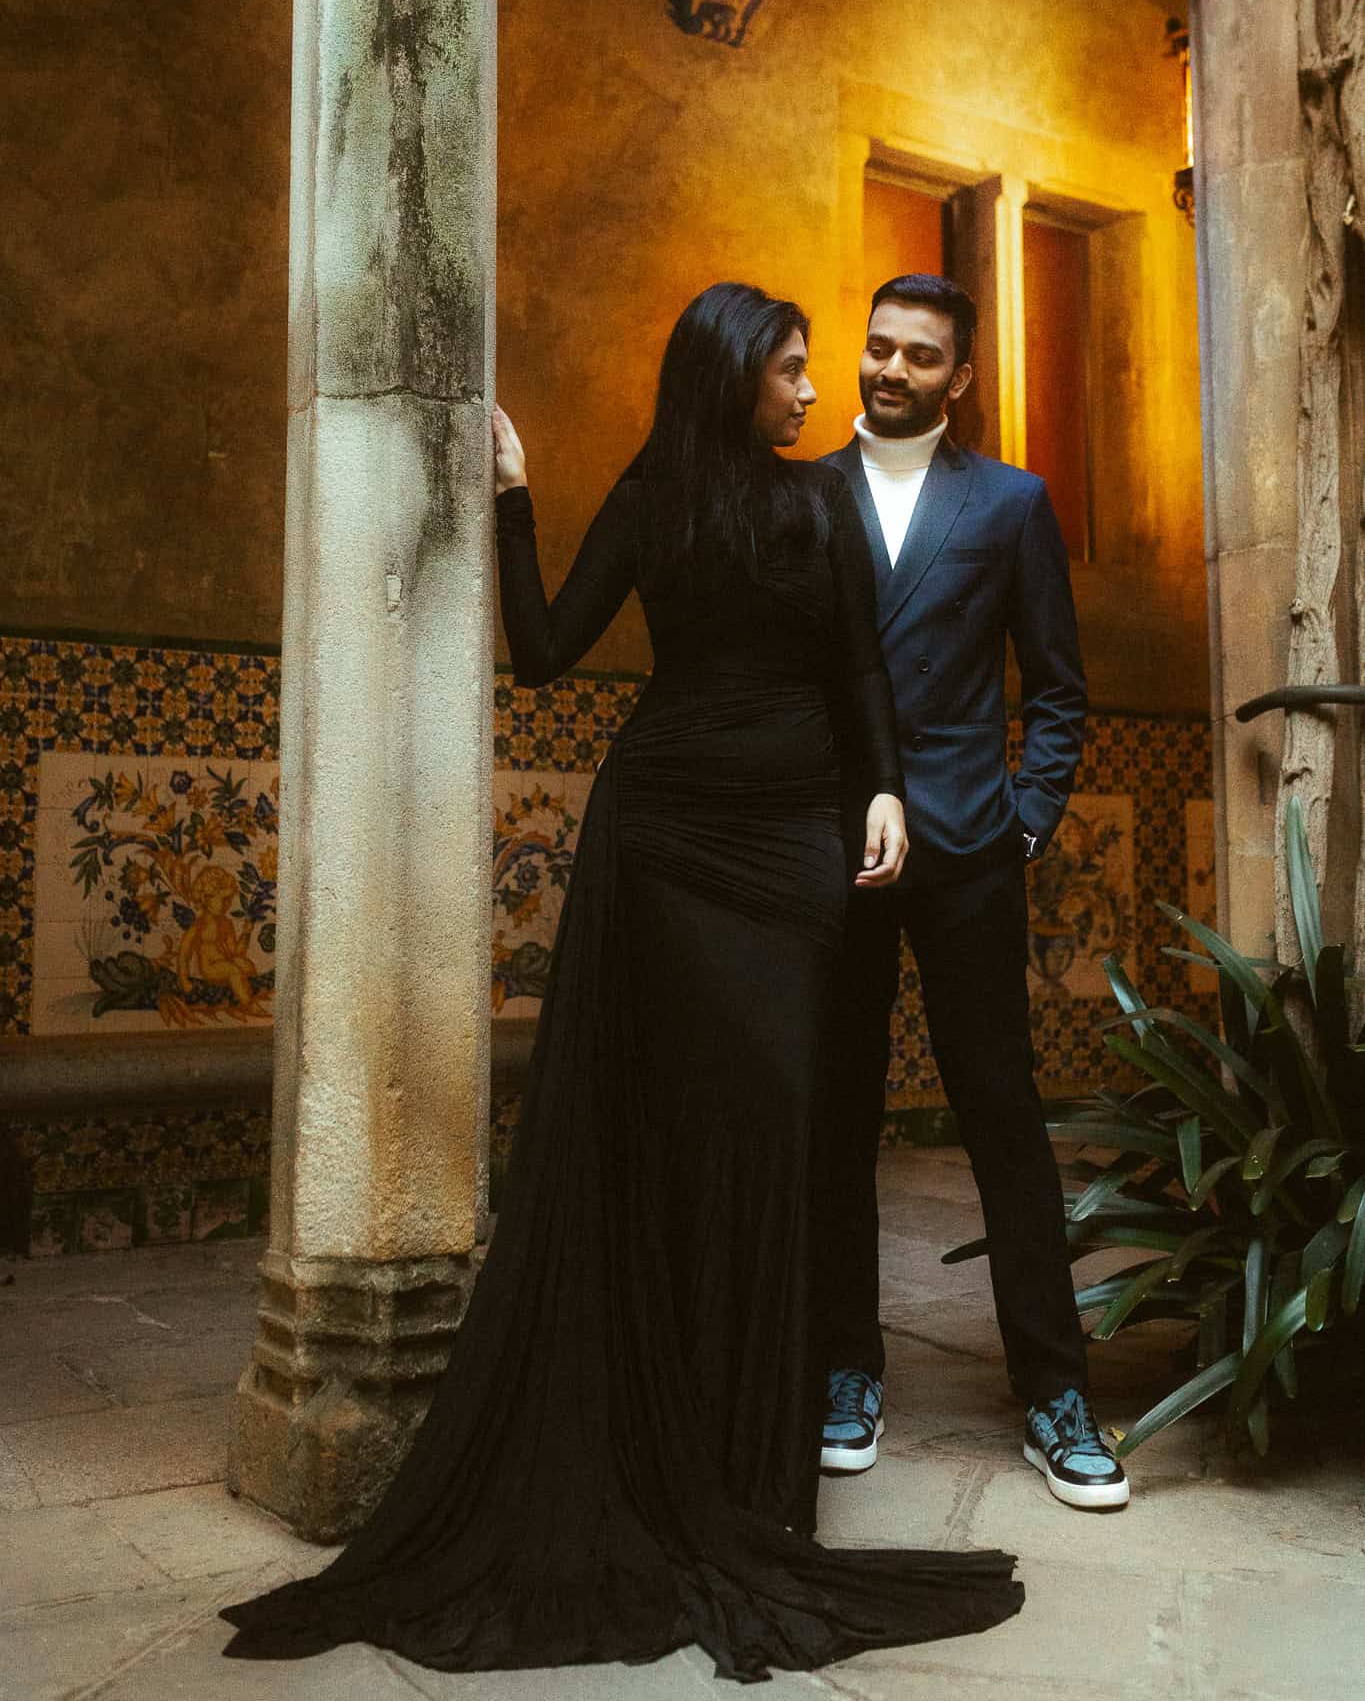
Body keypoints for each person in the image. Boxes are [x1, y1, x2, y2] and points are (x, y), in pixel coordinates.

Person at [221, 282, 1024, 1680]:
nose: (809, 386)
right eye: (789, 368)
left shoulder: (819, 503)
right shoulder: (659, 490)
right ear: (732, 378)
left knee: (771, 1132)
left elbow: (857, 672)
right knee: (653, 1140)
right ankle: (654, 1432)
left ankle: (754, 1465)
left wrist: (883, 790)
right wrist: (518, 498)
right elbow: (543, 651)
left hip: (791, 856)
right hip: (658, 843)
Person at [817, 272, 1129, 1511]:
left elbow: (1058, 685)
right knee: (835, 1115)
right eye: (878, 347)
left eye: (919, 355)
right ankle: (846, 1364)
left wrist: (1027, 820)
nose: (890, 369)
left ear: (960, 376)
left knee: (1002, 1114)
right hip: (834, 854)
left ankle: (1055, 1391)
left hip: (966, 852)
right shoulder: (805, 492)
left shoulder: (1009, 503)